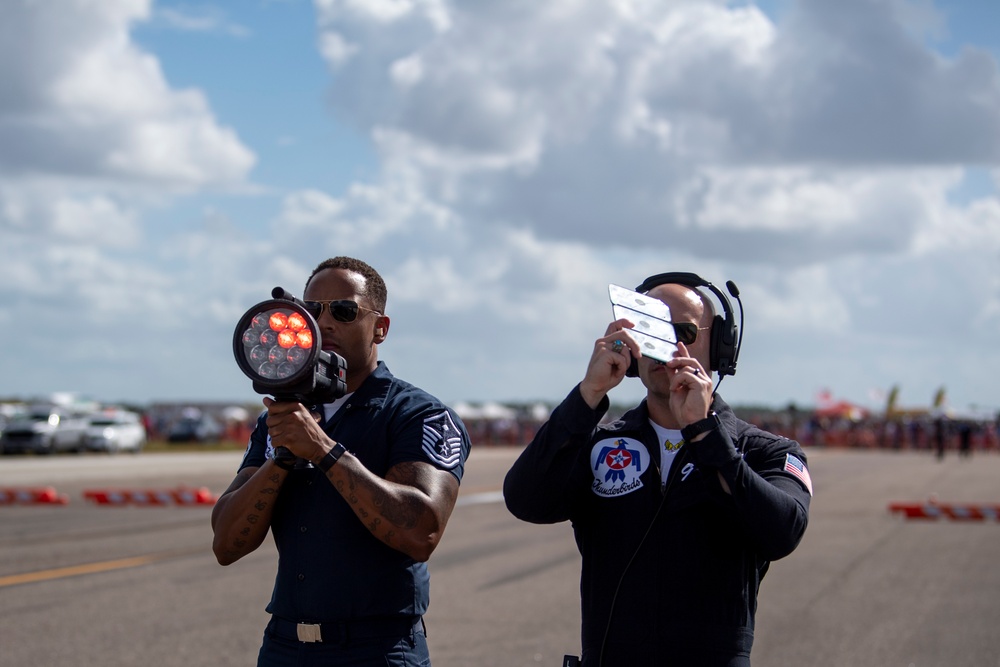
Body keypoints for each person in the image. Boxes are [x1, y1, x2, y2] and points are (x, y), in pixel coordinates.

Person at [504, 272, 811, 667]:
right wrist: (587, 397)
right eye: (652, 331)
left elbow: (782, 532)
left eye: (682, 331)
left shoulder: (765, 452)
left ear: (719, 346)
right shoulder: (599, 446)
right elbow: (525, 499)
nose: (667, 347)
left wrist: (705, 435)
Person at [212, 256, 471, 666]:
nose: (324, 322)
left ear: (380, 328)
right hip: (284, 645)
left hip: (378, 648)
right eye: (312, 310)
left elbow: (421, 531)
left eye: (344, 311)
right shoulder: (282, 417)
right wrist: (281, 459)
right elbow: (226, 544)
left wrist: (323, 450)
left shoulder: (417, 414)